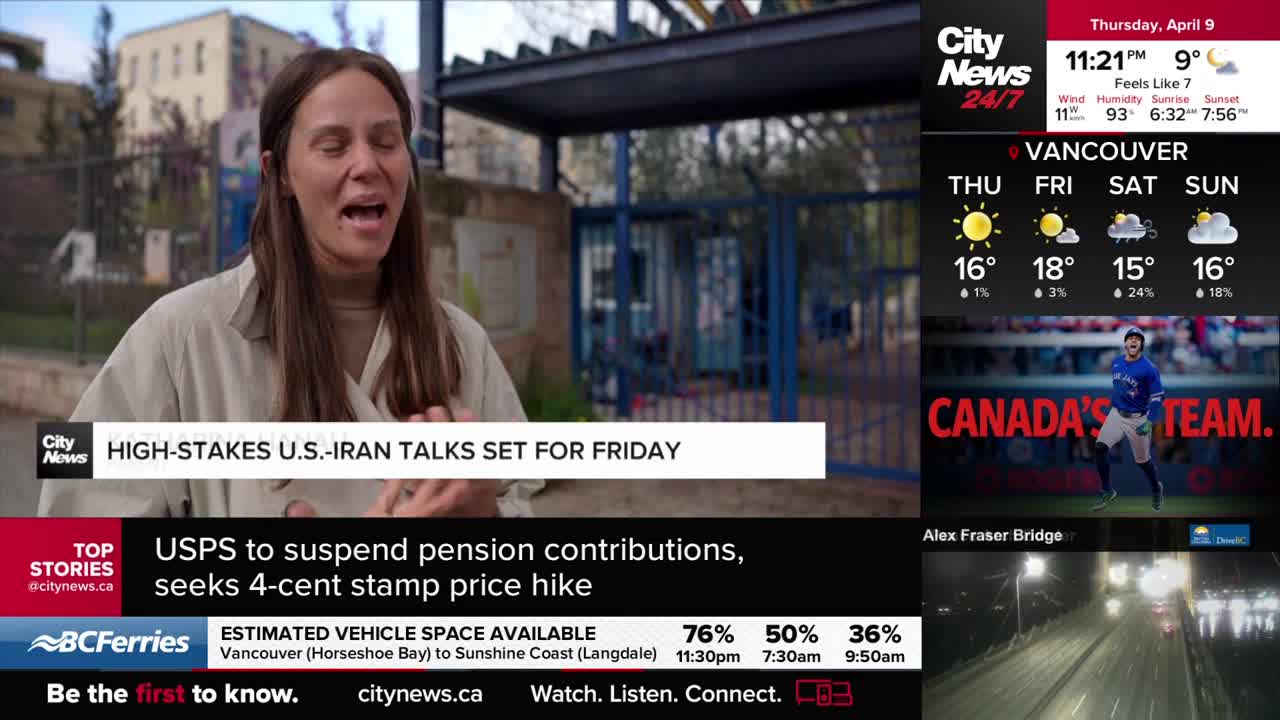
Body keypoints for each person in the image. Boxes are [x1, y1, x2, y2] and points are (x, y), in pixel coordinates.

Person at [37, 48, 543, 518]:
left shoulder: (462, 344)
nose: (367, 164)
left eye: (387, 143)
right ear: (278, 173)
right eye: (333, 146)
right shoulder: (179, 338)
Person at [1092, 326, 1165, 511]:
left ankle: (1156, 488)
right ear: (1125, 343)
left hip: (1138, 418)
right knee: (1099, 447)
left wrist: (1150, 421)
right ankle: (1107, 490)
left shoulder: (1149, 368)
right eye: (1130, 338)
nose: (1133, 340)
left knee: (1142, 461)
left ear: (1141, 344)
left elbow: (1157, 397)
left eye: (1137, 338)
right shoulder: (1116, 362)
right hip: (1117, 414)